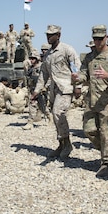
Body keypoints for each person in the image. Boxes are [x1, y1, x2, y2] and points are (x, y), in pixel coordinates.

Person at [72, 25, 108, 176]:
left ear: (106, 38)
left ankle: (105, 162)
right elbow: (84, 74)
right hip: (92, 101)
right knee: (89, 130)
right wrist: (77, 78)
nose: (98, 42)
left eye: (101, 39)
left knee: (107, 134)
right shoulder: (89, 57)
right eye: (95, 39)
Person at [32, 25, 81, 159]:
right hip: (53, 90)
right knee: (55, 117)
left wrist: (78, 86)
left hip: (66, 87)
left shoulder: (67, 50)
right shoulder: (47, 55)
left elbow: (75, 68)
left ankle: (67, 144)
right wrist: (36, 91)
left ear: (58, 35)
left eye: (51, 35)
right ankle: (62, 144)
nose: (48, 37)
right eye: (47, 35)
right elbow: (44, 74)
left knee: (58, 112)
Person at [23, 51, 51, 130]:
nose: (31, 60)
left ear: (37, 59)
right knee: (37, 105)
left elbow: (48, 78)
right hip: (33, 90)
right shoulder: (31, 68)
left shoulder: (41, 67)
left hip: (40, 90)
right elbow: (27, 78)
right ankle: (31, 122)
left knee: (38, 105)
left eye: (33, 59)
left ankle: (31, 122)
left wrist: (44, 87)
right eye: (30, 59)